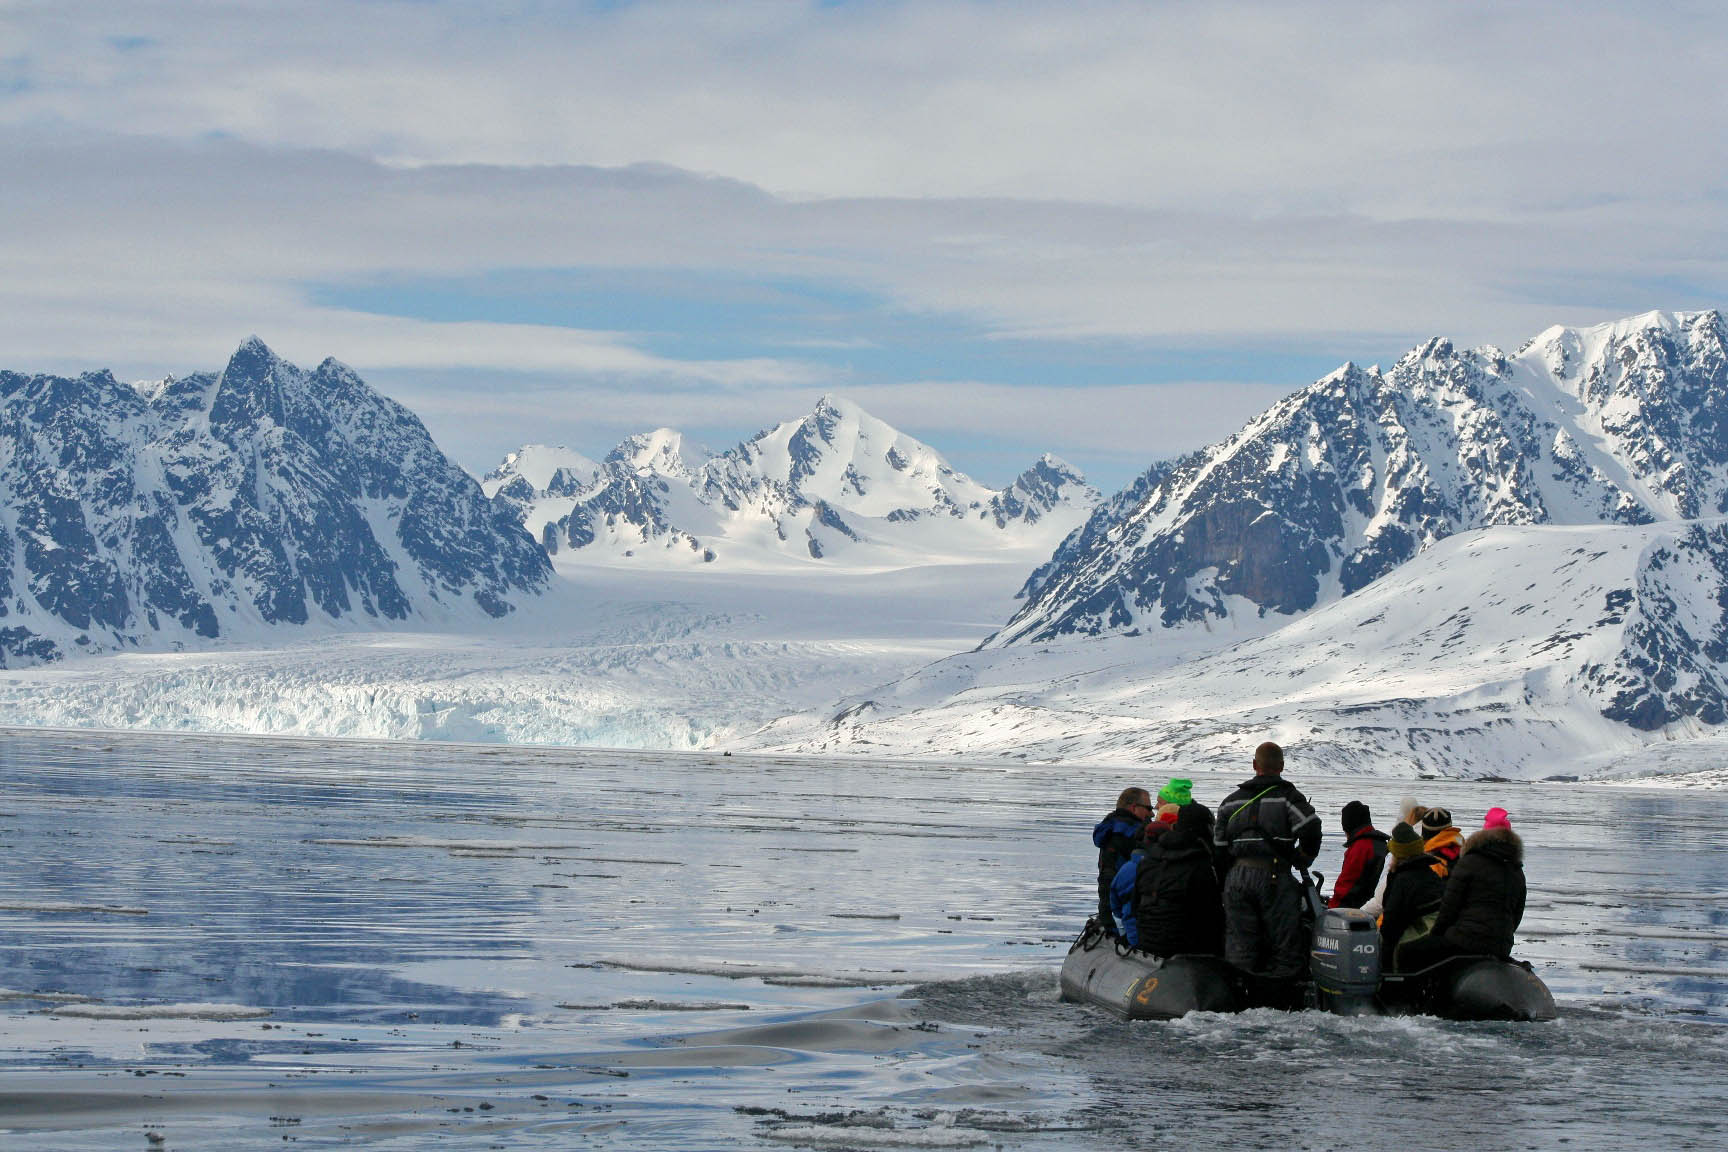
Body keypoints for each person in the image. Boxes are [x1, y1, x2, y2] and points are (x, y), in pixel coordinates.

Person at [1215, 741, 1322, 990]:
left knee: (1240, 944)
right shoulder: (1288, 798)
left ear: (1255, 765)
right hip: (1274, 877)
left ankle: (1239, 994)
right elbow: (1311, 827)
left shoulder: (1229, 803)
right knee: (1284, 943)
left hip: (1237, 878)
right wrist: (1303, 857)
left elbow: (1218, 848)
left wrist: (1226, 880)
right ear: (1282, 766)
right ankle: (1281, 996)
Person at [1398, 807, 1527, 971]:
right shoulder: (1517, 871)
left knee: (1406, 952)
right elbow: (1517, 913)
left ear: (1483, 836)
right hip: (1501, 945)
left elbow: (1449, 907)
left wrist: (1436, 935)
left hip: (1465, 940)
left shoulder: (1469, 862)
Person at [1133, 800, 1224, 957]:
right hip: (1184, 948)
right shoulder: (1201, 865)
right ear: (1207, 828)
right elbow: (1212, 915)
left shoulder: (1149, 859)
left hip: (1147, 943)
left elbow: (1134, 905)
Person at [1377, 821, 1447, 970]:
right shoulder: (1430, 873)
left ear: (1397, 854)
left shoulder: (1403, 879)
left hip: (1418, 940)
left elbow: (1391, 922)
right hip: (1439, 936)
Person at [1093, 786, 1151, 928]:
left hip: (1113, 896)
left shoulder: (1111, 825)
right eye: (1148, 808)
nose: (1152, 813)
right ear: (1133, 807)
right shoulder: (1129, 831)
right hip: (1127, 901)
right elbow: (1110, 874)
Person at [1329, 801, 1389, 909]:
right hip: (1377, 904)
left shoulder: (1360, 848)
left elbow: (1346, 886)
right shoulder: (1382, 844)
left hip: (1356, 910)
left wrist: (1331, 909)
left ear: (1349, 827)